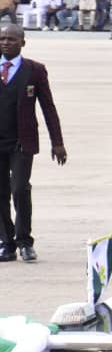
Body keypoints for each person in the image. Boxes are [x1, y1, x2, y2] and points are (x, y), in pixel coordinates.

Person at [0, 24, 66, 263]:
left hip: (21, 142)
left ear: (22, 43)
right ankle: (6, 244)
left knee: (19, 189)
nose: (6, 42)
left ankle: (25, 242)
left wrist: (57, 142)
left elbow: (48, 107)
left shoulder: (35, 70)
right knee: (0, 193)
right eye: (2, 39)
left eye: (11, 39)